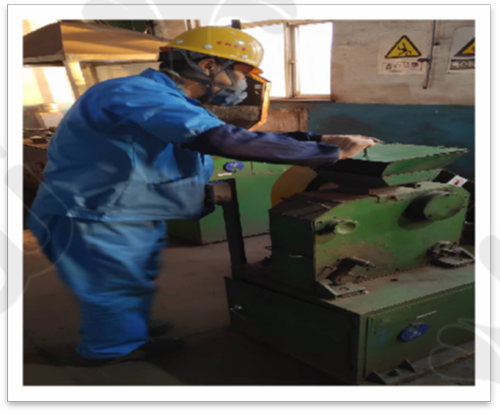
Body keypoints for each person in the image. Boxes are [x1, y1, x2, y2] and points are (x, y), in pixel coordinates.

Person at [27, 26, 380, 366]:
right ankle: (111, 350)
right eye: (241, 72)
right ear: (209, 65)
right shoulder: (133, 92)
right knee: (112, 285)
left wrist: (319, 139)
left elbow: (222, 132)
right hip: (92, 213)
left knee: (133, 275)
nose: (243, 83)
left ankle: (129, 327)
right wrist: (331, 153)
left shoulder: (169, 98)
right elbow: (218, 139)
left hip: (125, 210)